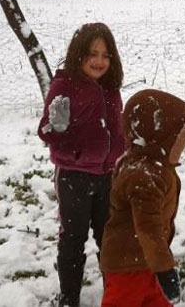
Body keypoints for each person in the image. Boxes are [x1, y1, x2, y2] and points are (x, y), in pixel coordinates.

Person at [38, 23, 125, 307]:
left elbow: (117, 129)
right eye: (92, 54)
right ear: (77, 55)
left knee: (108, 237)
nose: (99, 61)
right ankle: (69, 297)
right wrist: (56, 126)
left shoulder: (110, 88)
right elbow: (45, 131)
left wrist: (126, 153)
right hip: (74, 176)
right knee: (73, 238)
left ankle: (114, 294)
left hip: (108, 176)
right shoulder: (64, 86)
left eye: (105, 55)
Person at [100, 89, 185, 307]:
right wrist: (164, 269)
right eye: (179, 137)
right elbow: (147, 228)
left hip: (148, 262)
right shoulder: (143, 176)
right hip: (128, 268)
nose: (182, 144)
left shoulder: (153, 166)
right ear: (159, 137)